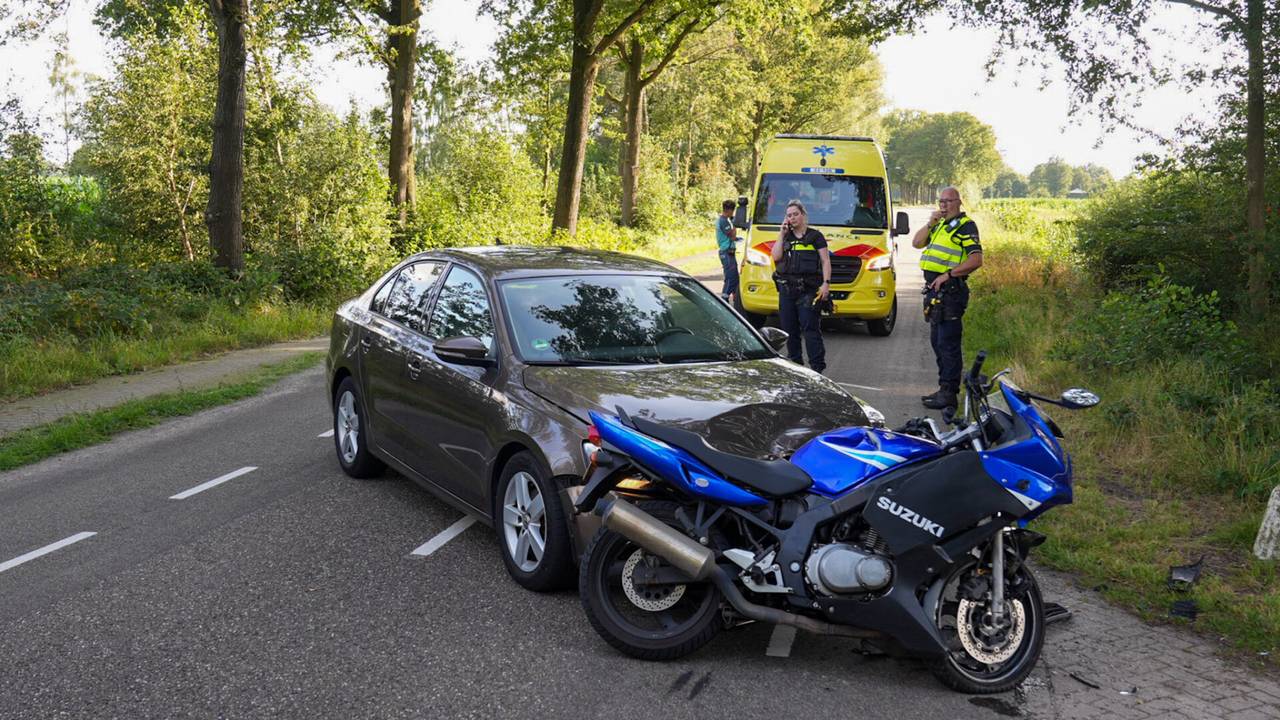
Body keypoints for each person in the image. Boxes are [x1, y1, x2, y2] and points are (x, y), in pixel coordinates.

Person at [912, 186, 983, 410]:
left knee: (948, 344)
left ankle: (950, 394)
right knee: (937, 342)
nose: (943, 205)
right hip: (936, 292)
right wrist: (930, 223)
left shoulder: (965, 226)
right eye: (941, 201)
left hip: (951, 292)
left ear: (959, 202)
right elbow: (916, 242)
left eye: (948, 201)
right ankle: (944, 388)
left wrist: (949, 275)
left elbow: (976, 260)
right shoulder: (940, 224)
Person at [771, 200, 831, 374]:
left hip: (809, 291)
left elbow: (825, 261)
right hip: (787, 291)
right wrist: (781, 235)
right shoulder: (786, 236)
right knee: (790, 331)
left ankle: (817, 370)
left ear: (803, 215)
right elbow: (775, 257)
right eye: (789, 215)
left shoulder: (815, 236)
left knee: (810, 330)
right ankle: (796, 369)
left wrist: (826, 284)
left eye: (795, 214)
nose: (792, 218)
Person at [716, 199, 739, 302]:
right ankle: (724, 299)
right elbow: (733, 236)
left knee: (735, 276)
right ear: (729, 210)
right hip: (726, 252)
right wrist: (734, 225)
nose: (733, 213)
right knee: (730, 277)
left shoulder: (724, 220)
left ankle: (736, 297)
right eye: (733, 210)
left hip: (729, 252)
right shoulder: (724, 221)